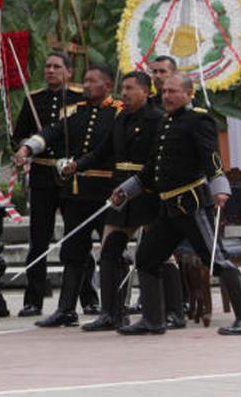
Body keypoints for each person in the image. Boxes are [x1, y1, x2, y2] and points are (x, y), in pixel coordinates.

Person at [115, 74, 241, 336]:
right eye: (164, 91)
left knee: (216, 259)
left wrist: (220, 187)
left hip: (192, 205)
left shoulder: (198, 119)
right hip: (168, 207)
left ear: (189, 94)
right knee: (146, 258)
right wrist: (127, 190)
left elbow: (211, 157)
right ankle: (153, 320)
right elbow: (153, 167)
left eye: (172, 91)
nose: (166, 96)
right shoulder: (165, 121)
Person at [14, 64, 121, 328]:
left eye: (91, 81)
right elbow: (51, 133)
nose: (85, 86)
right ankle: (65, 309)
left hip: (107, 192)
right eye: (84, 81)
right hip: (76, 192)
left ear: (107, 86)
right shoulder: (75, 112)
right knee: (73, 251)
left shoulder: (119, 113)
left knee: (113, 251)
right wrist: (28, 147)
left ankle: (114, 309)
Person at [60, 71, 167, 331]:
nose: (125, 93)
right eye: (124, 88)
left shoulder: (158, 119)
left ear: (146, 91)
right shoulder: (121, 118)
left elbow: (158, 161)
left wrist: (141, 185)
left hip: (148, 192)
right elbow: (102, 152)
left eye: (131, 88)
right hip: (121, 191)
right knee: (109, 250)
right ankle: (111, 312)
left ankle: (169, 312)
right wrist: (77, 165)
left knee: (161, 255)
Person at [10, 52, 90, 318]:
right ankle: (33, 300)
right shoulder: (35, 99)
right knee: (38, 240)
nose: (51, 71)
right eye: (47, 66)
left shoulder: (81, 99)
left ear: (69, 71)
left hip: (72, 177)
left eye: (57, 67)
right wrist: (22, 151)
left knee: (78, 239)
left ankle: (88, 297)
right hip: (43, 176)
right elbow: (19, 135)